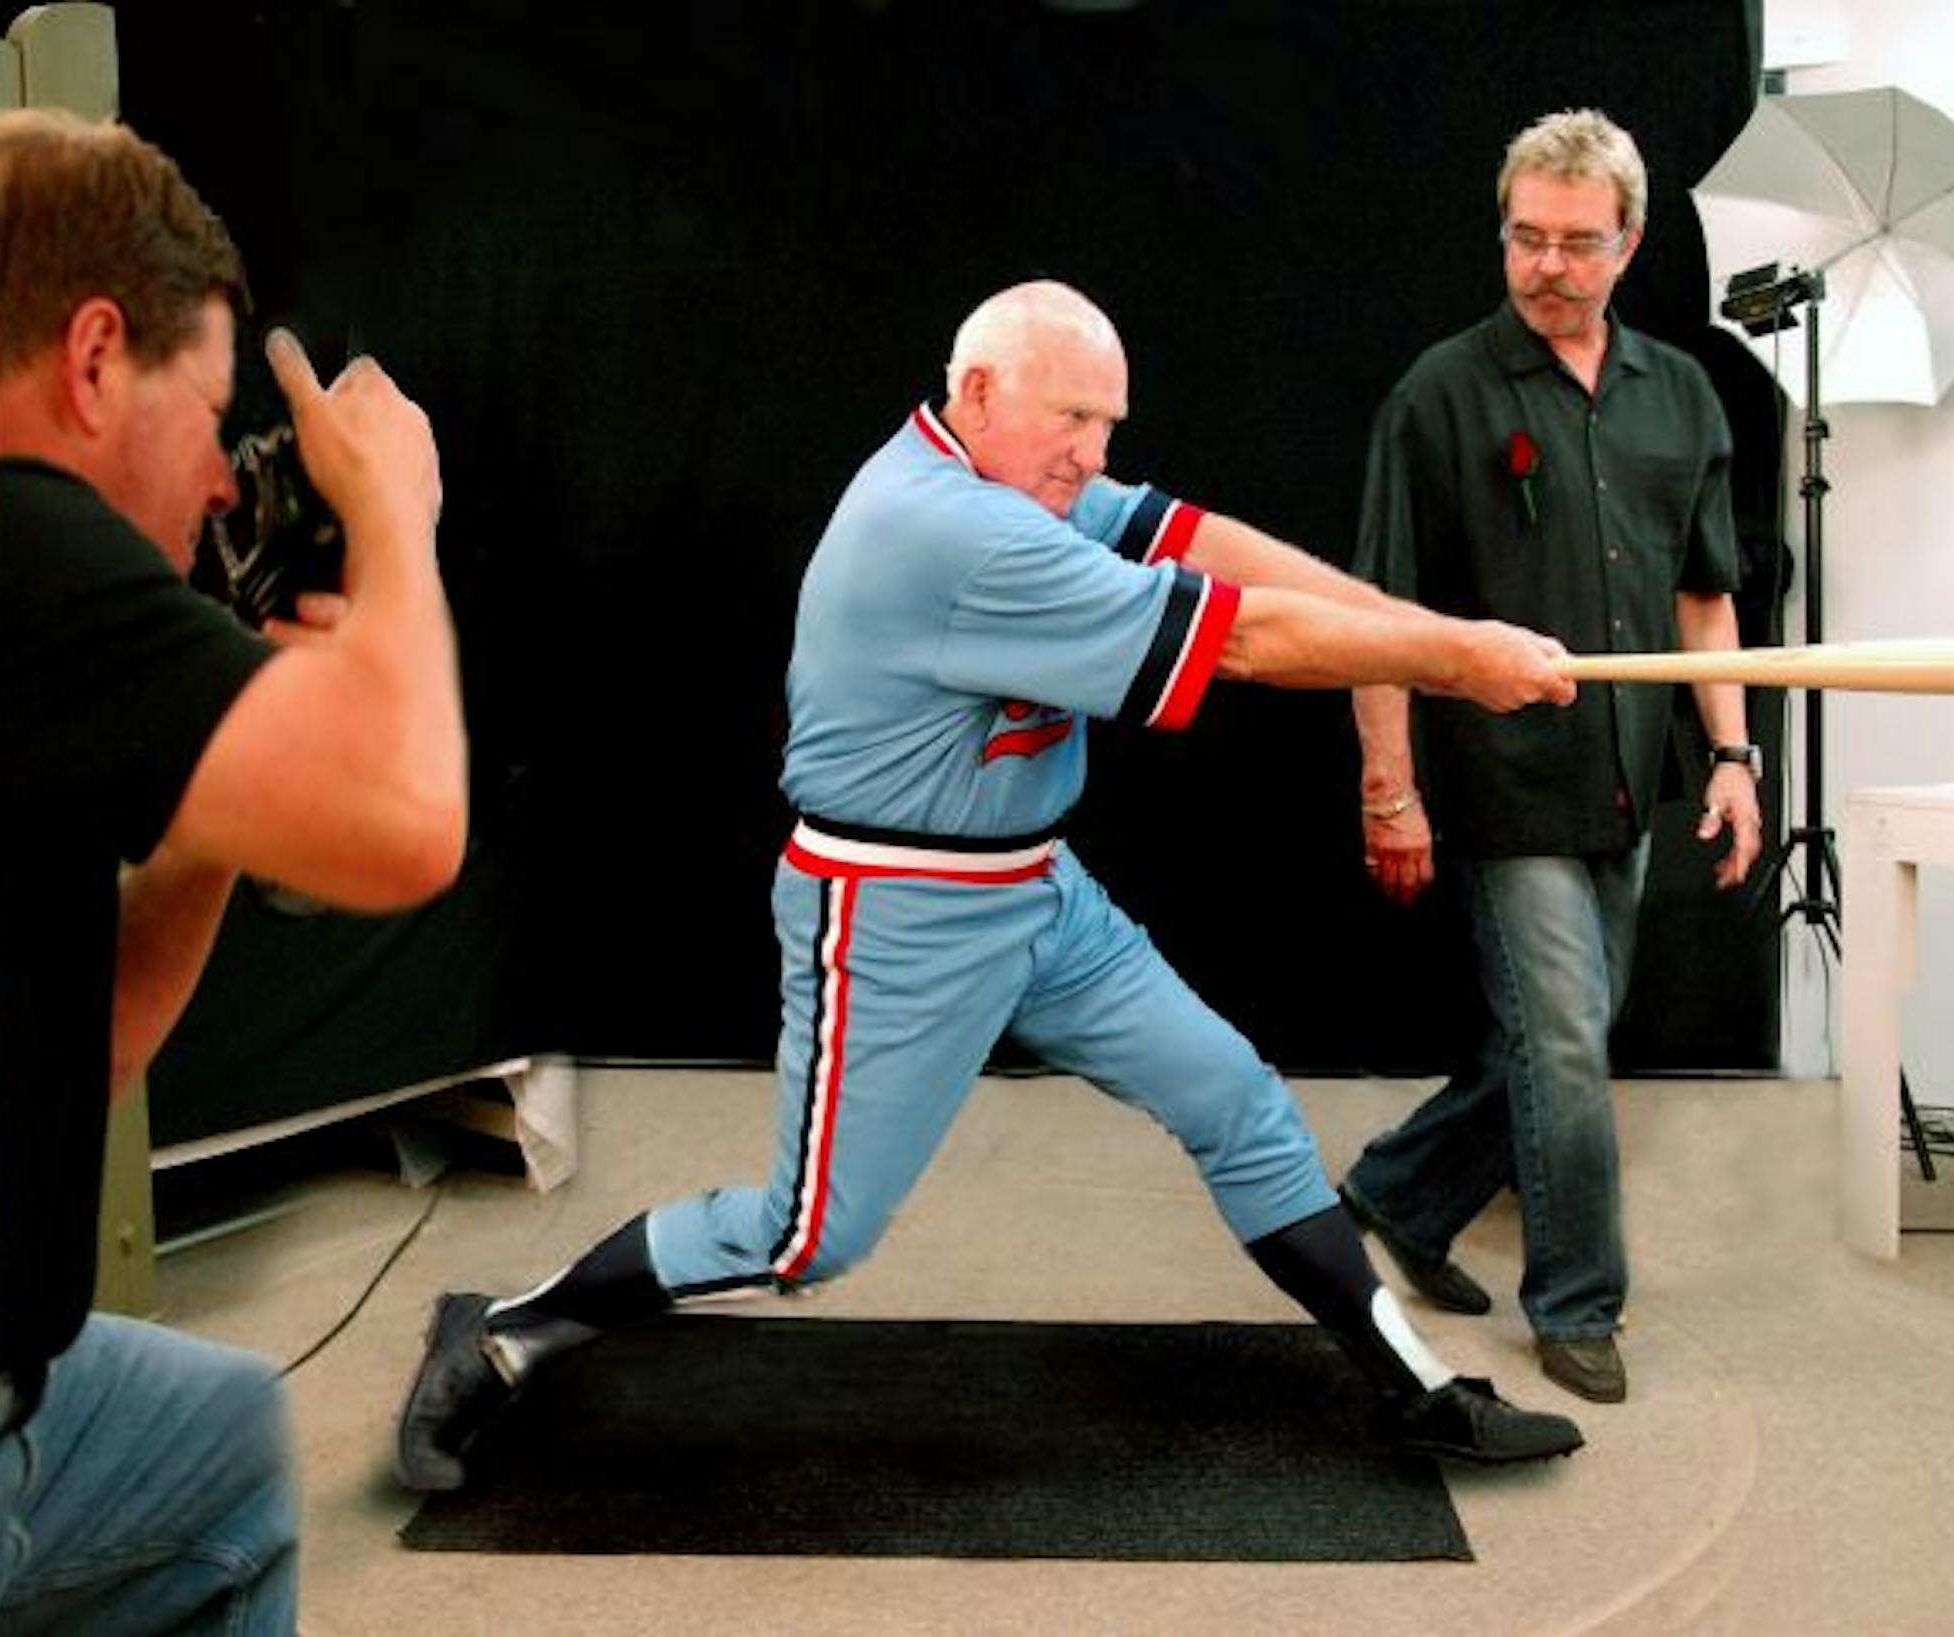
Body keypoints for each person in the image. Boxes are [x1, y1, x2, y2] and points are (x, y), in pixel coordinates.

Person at [396, 277, 1589, 1491]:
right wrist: (1453, 658)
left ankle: (1417, 1389)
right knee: (809, 1236)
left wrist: (1404, 619)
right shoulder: (951, 529)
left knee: (1236, 1096)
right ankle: (498, 1336)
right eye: (1075, 420)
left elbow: (1193, 538)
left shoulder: (1017, 477)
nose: (1094, 453)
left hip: (1037, 887)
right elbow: (1233, 635)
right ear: (978, 391)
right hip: (894, 906)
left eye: (1107, 425)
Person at [0, 108, 465, 1634]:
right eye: (206, 415)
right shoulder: (25, 547)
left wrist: (202, 834)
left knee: (217, 1444)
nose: (217, 489)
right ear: (91, 357)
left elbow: (69, 1052)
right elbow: (407, 819)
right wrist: (395, 505)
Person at [1340, 109, 1762, 1406]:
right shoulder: (1443, 392)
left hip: (1629, 781)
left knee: (1556, 1034)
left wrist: (1735, 758)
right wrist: (1390, 781)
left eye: (1577, 244)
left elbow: (1705, 598)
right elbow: (1382, 616)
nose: (1547, 267)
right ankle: (1577, 1300)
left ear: (1628, 244)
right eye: (1526, 238)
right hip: (1502, 783)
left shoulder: (1678, 395)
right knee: (1571, 1043)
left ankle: (1401, 1193)